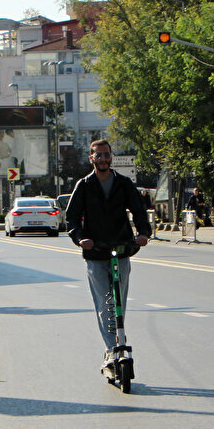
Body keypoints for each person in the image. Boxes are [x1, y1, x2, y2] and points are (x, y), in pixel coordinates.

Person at [65, 138, 151, 374]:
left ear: (111, 157)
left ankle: (118, 343)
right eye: (99, 155)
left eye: (107, 155)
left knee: (118, 302)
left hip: (121, 248)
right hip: (96, 252)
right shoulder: (84, 185)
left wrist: (143, 233)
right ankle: (112, 350)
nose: (103, 159)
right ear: (91, 158)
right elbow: (72, 218)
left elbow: (139, 210)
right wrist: (80, 238)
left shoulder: (123, 183)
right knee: (105, 304)